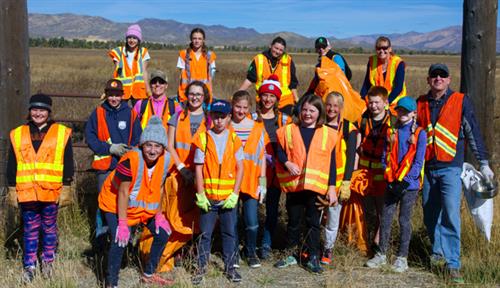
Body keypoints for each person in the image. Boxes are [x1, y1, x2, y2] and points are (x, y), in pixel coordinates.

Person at [417, 64, 494, 283]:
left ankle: (453, 264)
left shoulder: (460, 100)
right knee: (430, 214)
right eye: (434, 75)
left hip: (451, 167)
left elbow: (473, 131)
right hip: (428, 167)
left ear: (449, 79)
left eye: (442, 75)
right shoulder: (420, 103)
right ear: (428, 79)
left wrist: (484, 163)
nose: (438, 78)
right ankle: (438, 252)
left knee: (451, 214)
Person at [98, 116, 173, 287]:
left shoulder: (166, 160)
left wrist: (159, 215)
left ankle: (149, 273)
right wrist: (123, 223)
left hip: (141, 204)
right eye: (148, 145)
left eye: (157, 146)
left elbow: (160, 186)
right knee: (120, 239)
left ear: (163, 148)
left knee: (163, 233)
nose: (153, 150)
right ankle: (111, 282)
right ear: (142, 145)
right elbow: (123, 193)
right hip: (115, 203)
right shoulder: (131, 160)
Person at [7, 94, 74, 283]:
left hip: (51, 190)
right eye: (35, 109)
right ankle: (29, 266)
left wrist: (67, 185)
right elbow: (12, 163)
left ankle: (48, 263)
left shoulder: (61, 132)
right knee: (29, 228)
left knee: (49, 228)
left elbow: (67, 161)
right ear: (29, 111)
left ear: (49, 112)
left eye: (42, 110)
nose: (38, 113)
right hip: (27, 191)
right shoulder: (18, 133)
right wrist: (12, 188)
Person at [273, 94, 338, 274]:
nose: (307, 114)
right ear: (299, 111)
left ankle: (313, 256)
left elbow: (332, 163)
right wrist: (287, 163)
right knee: (293, 221)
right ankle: (291, 253)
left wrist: (332, 187)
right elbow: (279, 150)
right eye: (305, 110)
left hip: (316, 187)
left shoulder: (328, 133)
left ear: (319, 113)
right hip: (295, 186)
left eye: (312, 110)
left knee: (313, 222)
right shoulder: (288, 130)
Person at [365, 96, 426, 273]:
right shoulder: (392, 131)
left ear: (414, 113)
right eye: (400, 110)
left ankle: (402, 257)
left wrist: (405, 182)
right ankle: (381, 254)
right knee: (385, 218)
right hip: (391, 183)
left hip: (409, 186)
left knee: (404, 220)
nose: (403, 114)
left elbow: (418, 162)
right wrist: (387, 176)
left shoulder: (420, 133)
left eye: (407, 111)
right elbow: (385, 157)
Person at [158, 81, 211, 271]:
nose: (195, 97)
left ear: (204, 97)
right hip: (179, 174)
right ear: (186, 95)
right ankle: (176, 251)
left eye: (199, 94)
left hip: (203, 176)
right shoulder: (177, 116)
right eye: (192, 93)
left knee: (200, 215)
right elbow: (169, 145)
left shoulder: (211, 119)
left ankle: (194, 251)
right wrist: (182, 168)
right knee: (177, 214)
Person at [191, 99, 244, 284]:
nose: (219, 120)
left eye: (223, 116)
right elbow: (198, 168)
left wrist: (235, 194)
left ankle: (231, 268)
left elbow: (240, 168)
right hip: (209, 198)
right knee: (205, 234)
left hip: (228, 198)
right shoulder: (202, 139)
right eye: (216, 116)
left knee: (229, 233)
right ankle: (200, 268)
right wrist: (201, 194)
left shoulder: (234, 139)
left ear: (229, 117)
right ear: (210, 116)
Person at [86, 79, 142, 243]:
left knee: (127, 202)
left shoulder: (131, 113)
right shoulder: (97, 113)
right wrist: (109, 148)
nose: (114, 98)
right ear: (106, 95)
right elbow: (90, 138)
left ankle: (127, 239)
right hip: (106, 168)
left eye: (117, 95)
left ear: (123, 96)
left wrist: (133, 150)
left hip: (126, 168)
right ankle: (102, 239)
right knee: (104, 204)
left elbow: (139, 137)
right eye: (111, 95)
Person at [250, 75, 292, 259]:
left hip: (276, 172)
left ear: (277, 98)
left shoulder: (284, 119)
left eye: (272, 96)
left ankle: (266, 244)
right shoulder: (251, 117)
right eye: (265, 95)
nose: (268, 99)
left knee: (272, 208)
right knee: (251, 207)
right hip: (255, 171)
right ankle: (249, 241)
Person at [316, 92, 357, 265]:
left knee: (333, 217)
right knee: (314, 215)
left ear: (341, 108)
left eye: (335, 106)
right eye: (329, 105)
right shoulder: (319, 124)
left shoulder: (349, 128)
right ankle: (311, 247)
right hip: (318, 179)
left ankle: (328, 249)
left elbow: (351, 156)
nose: (332, 109)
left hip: (339, 181)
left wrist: (346, 182)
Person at [356, 86, 396, 252]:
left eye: (377, 102)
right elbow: (357, 145)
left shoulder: (393, 122)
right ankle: (364, 243)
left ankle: (380, 244)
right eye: (371, 102)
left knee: (382, 210)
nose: (373, 106)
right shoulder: (363, 120)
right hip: (365, 173)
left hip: (383, 174)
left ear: (386, 103)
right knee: (365, 211)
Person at [230, 90, 268, 268]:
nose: (241, 110)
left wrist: (263, 184)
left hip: (252, 182)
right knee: (233, 220)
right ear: (232, 105)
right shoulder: (226, 125)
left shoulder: (257, 127)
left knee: (252, 222)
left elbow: (262, 157)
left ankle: (251, 251)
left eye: (245, 107)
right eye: (238, 106)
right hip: (230, 182)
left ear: (250, 108)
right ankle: (233, 252)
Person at [239, 37, 299, 115]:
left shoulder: (288, 60)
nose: (278, 52)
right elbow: (250, 79)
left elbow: (293, 84)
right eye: (276, 48)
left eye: (281, 50)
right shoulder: (259, 59)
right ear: (270, 46)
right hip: (264, 101)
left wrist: (297, 100)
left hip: (284, 101)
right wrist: (238, 93)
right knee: (263, 125)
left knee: (284, 125)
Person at [360, 36, 406, 112]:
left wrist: (386, 102)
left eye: (385, 48)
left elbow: (398, 87)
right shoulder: (372, 61)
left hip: (394, 102)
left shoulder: (398, 63)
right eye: (378, 48)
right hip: (376, 102)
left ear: (390, 49)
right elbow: (366, 84)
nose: (381, 51)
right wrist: (361, 99)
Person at [108, 24, 151, 101]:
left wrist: (148, 90)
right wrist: (112, 89)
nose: (132, 40)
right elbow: (116, 73)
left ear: (138, 40)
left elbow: (144, 72)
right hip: (122, 90)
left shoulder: (143, 52)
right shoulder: (118, 52)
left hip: (138, 90)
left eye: (135, 38)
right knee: (121, 111)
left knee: (139, 112)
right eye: (129, 37)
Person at [177, 28, 216, 103]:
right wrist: (182, 96)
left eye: (199, 38)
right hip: (187, 95)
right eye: (194, 38)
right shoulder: (184, 54)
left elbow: (210, 78)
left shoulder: (210, 55)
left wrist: (210, 96)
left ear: (203, 40)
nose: (197, 41)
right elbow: (181, 77)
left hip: (204, 95)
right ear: (191, 39)